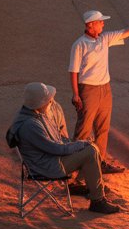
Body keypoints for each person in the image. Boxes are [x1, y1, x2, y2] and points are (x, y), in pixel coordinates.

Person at [68, 7, 129, 172]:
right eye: (100, 22)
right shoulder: (79, 44)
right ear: (91, 25)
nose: (103, 24)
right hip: (88, 89)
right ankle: (76, 165)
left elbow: (127, 32)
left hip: (105, 88)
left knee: (103, 128)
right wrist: (76, 94)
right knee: (84, 128)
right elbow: (73, 71)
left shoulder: (104, 38)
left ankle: (100, 162)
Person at [9, 82, 120, 215]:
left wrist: (79, 144)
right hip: (47, 166)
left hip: (50, 159)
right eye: (49, 100)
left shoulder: (34, 115)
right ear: (40, 103)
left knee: (90, 148)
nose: (51, 102)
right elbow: (57, 149)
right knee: (90, 151)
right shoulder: (31, 125)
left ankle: (95, 191)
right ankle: (97, 200)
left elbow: (57, 141)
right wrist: (80, 145)